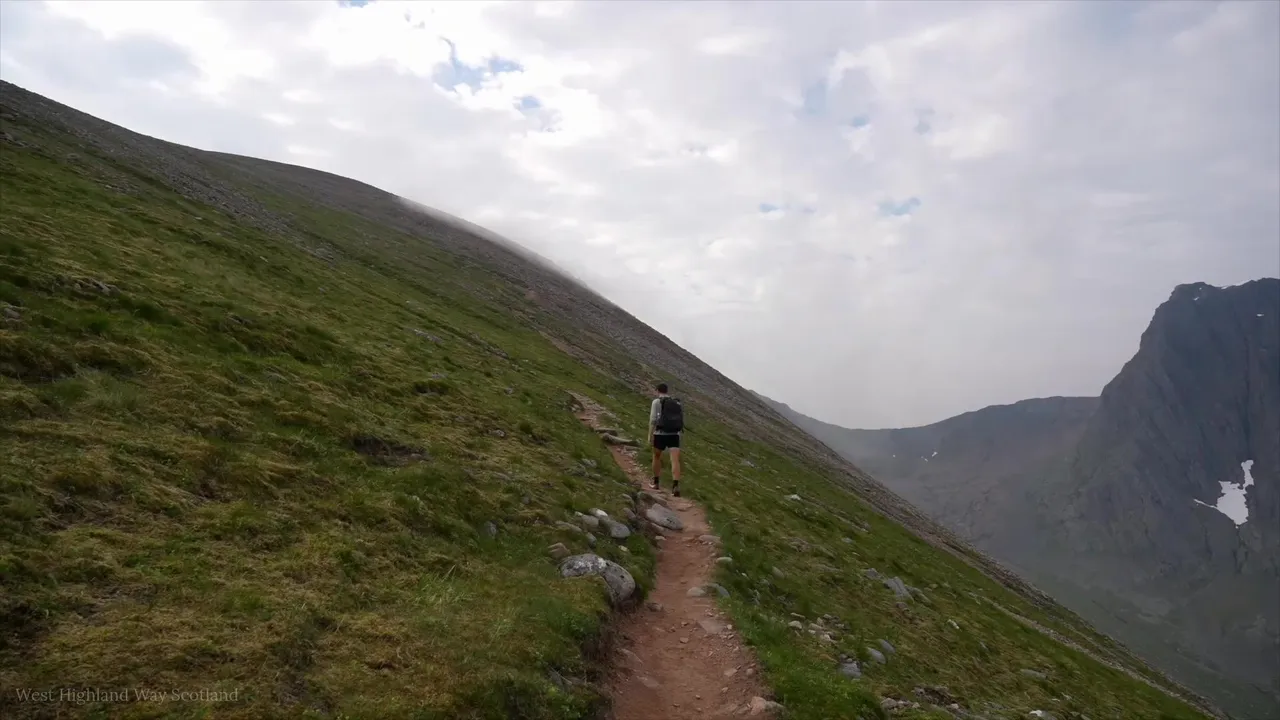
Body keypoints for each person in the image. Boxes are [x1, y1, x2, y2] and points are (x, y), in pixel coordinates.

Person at [648, 382, 684, 496]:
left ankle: (656, 482)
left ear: (657, 390)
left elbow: (653, 420)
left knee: (656, 457)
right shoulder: (676, 402)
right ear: (667, 391)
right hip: (674, 434)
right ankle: (675, 486)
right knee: (675, 460)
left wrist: (650, 435)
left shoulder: (656, 402)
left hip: (660, 434)